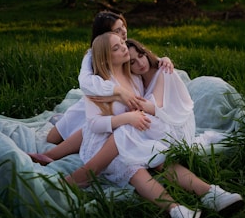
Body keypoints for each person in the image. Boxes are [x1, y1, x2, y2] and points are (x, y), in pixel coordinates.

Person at [31, 32, 244, 218]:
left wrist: (164, 60)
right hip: (104, 144)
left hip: (133, 135)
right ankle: (176, 210)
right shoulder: (100, 86)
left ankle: (210, 193)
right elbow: (94, 125)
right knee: (131, 159)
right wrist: (126, 119)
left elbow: (146, 63)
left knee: (158, 157)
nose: (123, 47)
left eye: (122, 43)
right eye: (117, 47)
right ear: (106, 57)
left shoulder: (134, 77)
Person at [46, 10, 173, 145]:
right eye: (118, 30)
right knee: (53, 138)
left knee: (99, 135)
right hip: (96, 102)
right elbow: (85, 82)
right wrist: (118, 92)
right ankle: (60, 125)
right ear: (105, 34)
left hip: (118, 110)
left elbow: (144, 58)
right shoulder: (92, 55)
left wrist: (163, 59)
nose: (124, 31)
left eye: (123, 26)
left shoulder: (126, 46)